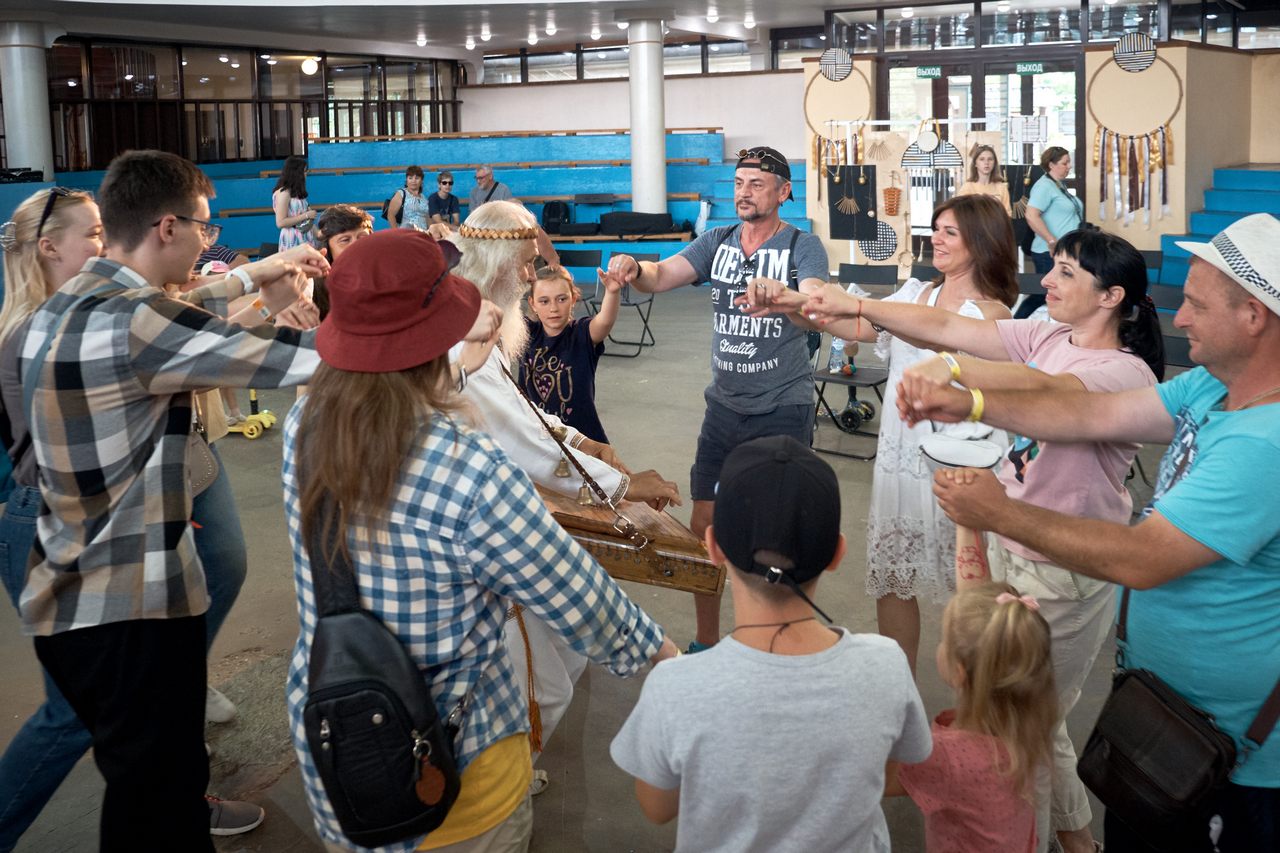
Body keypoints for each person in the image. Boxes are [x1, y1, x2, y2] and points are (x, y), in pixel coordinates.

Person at [760, 227, 1164, 853]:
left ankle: (1045, 839)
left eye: (1066, 273)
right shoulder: (1050, 335)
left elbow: (1050, 396)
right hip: (1011, 537)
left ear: (1111, 297)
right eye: (1053, 267)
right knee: (1031, 719)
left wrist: (967, 399)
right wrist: (906, 335)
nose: (1047, 281)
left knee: (1023, 724)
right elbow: (953, 330)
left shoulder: (1123, 371)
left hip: (1063, 565)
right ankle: (1075, 841)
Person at [282, 227, 679, 852]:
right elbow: (575, 594)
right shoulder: (467, 465)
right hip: (453, 771)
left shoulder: (304, 425)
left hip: (341, 749)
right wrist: (663, 657)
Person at [901, 213, 1280, 853]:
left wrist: (999, 513)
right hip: (1167, 711)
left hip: (1230, 753)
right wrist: (970, 403)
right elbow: (1088, 414)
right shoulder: (1212, 388)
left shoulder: (1264, 443)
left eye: (1196, 303)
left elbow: (1144, 558)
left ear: (1254, 316)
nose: (1179, 317)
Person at [17, 150, 326, 851]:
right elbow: (300, 358)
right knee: (161, 800)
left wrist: (257, 278)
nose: (207, 240)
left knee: (140, 788)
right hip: (132, 604)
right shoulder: (137, 322)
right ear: (167, 227)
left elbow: (185, 310)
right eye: (203, 227)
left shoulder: (66, 305)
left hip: (73, 592)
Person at [448, 200, 680, 791]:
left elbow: (523, 410)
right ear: (498, 260)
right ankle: (492, 788)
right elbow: (518, 437)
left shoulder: (478, 315)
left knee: (568, 655)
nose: (532, 276)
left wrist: (584, 441)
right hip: (481, 533)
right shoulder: (465, 325)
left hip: (498, 514)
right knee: (544, 685)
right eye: (527, 264)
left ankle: (500, 772)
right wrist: (621, 485)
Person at [610, 435, 931, 852]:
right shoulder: (886, 665)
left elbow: (656, 806)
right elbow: (895, 775)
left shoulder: (676, 686)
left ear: (713, 547)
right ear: (837, 554)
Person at [603, 145, 828, 652]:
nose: (744, 193)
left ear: (783, 192)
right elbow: (662, 275)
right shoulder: (717, 240)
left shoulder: (803, 245)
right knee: (705, 525)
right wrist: (633, 266)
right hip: (724, 409)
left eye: (756, 184)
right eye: (739, 183)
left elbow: (816, 308)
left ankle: (775, 641)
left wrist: (782, 299)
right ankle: (707, 641)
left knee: (777, 533)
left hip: (781, 409)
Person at [831, 196, 1020, 674]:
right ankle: (901, 687)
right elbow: (858, 324)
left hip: (962, 468)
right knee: (894, 580)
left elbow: (936, 335)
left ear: (982, 242)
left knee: (972, 590)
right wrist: (796, 303)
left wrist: (861, 305)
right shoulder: (915, 293)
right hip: (901, 462)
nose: (936, 238)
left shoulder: (994, 316)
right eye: (935, 228)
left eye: (950, 232)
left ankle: (979, 702)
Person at [886, 582, 1057, 853]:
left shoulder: (946, 756)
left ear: (958, 672)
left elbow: (882, 781)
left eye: (944, 640)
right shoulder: (1027, 727)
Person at [519, 264, 621, 443]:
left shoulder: (582, 333)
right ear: (533, 304)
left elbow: (604, 321)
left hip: (584, 437)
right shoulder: (526, 333)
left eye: (561, 299)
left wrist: (612, 292)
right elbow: (499, 308)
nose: (553, 308)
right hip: (538, 437)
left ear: (573, 299)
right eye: (544, 301)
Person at [1023, 146, 1082, 278]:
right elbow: (1031, 215)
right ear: (1051, 165)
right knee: (1047, 290)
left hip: (1065, 251)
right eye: (1065, 163)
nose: (1069, 166)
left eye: (1069, 162)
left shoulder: (1059, 185)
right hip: (1049, 253)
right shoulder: (1044, 186)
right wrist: (1051, 241)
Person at [311, 203, 374, 318]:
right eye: (345, 240)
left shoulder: (387, 279)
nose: (356, 245)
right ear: (327, 248)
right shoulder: (309, 289)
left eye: (362, 237)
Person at [273, 154, 316, 252]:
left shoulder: (297, 193)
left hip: (305, 237)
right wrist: (306, 215)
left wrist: (318, 233)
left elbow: (307, 220)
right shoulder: (284, 193)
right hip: (292, 239)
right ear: (297, 173)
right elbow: (280, 222)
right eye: (304, 171)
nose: (306, 174)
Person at [956, 144, 1012, 217]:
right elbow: (960, 213)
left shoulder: (1001, 187)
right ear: (975, 164)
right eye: (982, 159)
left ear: (994, 163)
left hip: (998, 224)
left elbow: (1007, 214)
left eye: (990, 159)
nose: (986, 163)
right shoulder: (967, 187)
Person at [386, 164, 430, 231]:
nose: (413, 181)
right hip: (406, 234)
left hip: (423, 234)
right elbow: (390, 215)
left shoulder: (424, 198)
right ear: (406, 180)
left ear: (421, 181)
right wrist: (397, 233)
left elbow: (428, 219)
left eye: (417, 178)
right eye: (410, 178)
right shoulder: (401, 194)